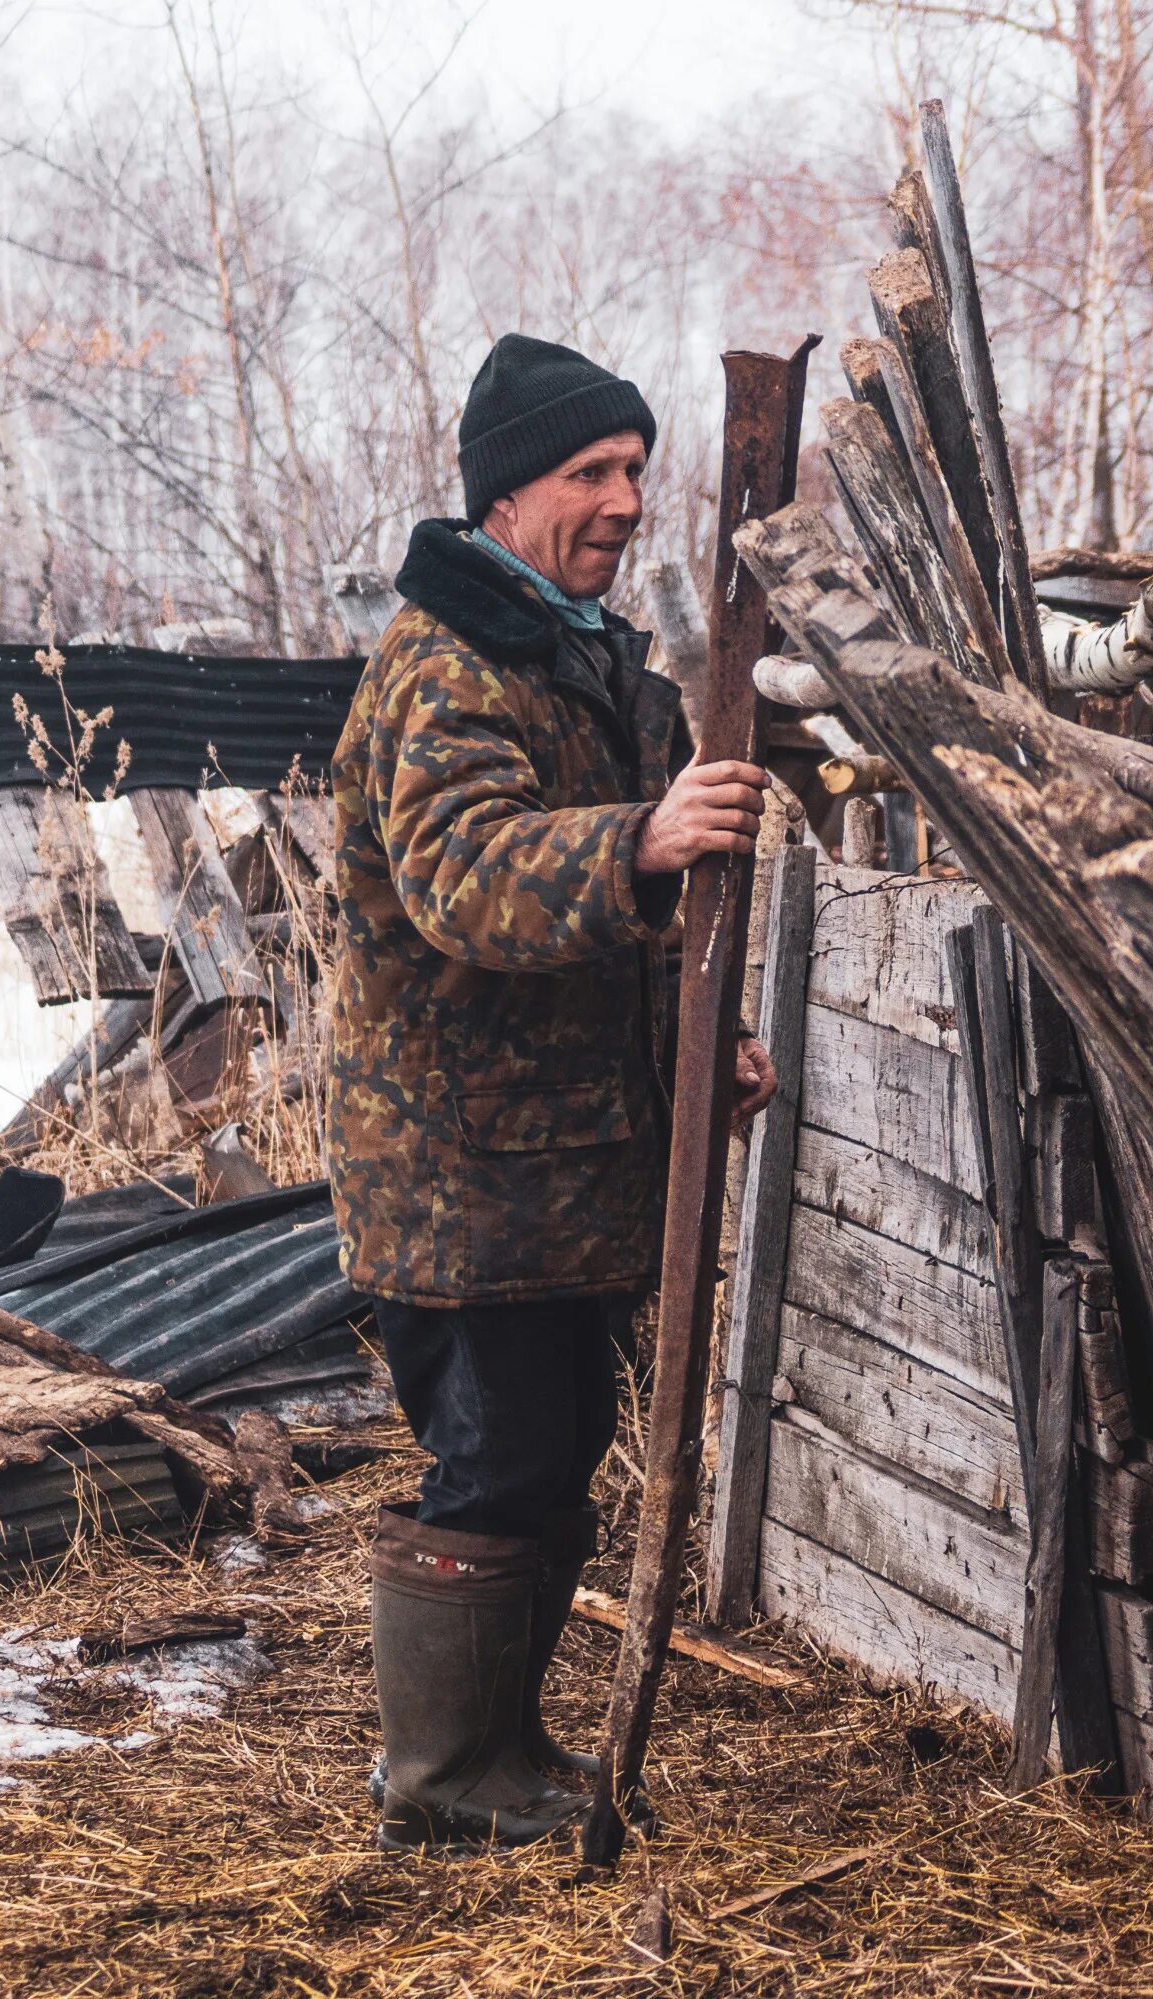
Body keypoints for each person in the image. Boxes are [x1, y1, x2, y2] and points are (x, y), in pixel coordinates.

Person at [326, 333, 778, 1851]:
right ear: (506, 494)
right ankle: (443, 1782)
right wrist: (643, 840)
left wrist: (697, 1048)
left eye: (640, 470)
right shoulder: (446, 668)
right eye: (592, 471)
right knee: (501, 1451)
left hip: (547, 1162)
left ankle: (500, 1754)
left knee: (553, 1434)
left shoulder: (576, 659)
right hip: (461, 1168)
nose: (627, 500)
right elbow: (468, 882)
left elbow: (618, 946)